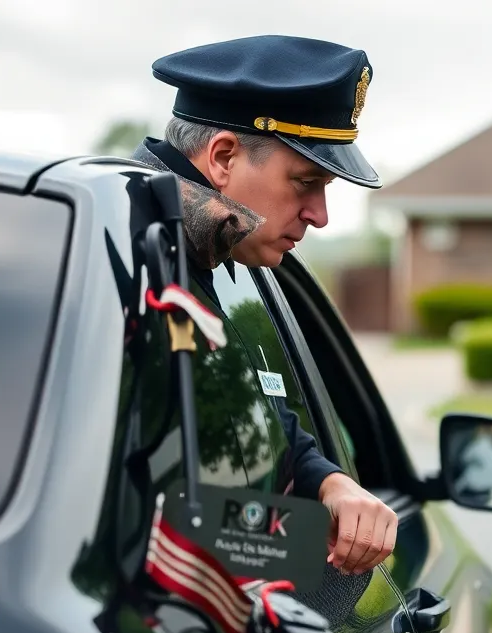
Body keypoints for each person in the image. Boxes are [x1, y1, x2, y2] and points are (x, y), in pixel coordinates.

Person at [130, 34, 397, 578]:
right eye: (305, 183)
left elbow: (246, 409)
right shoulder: (126, 269)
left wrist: (329, 480)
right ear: (224, 157)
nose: (319, 215)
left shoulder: (188, 252)